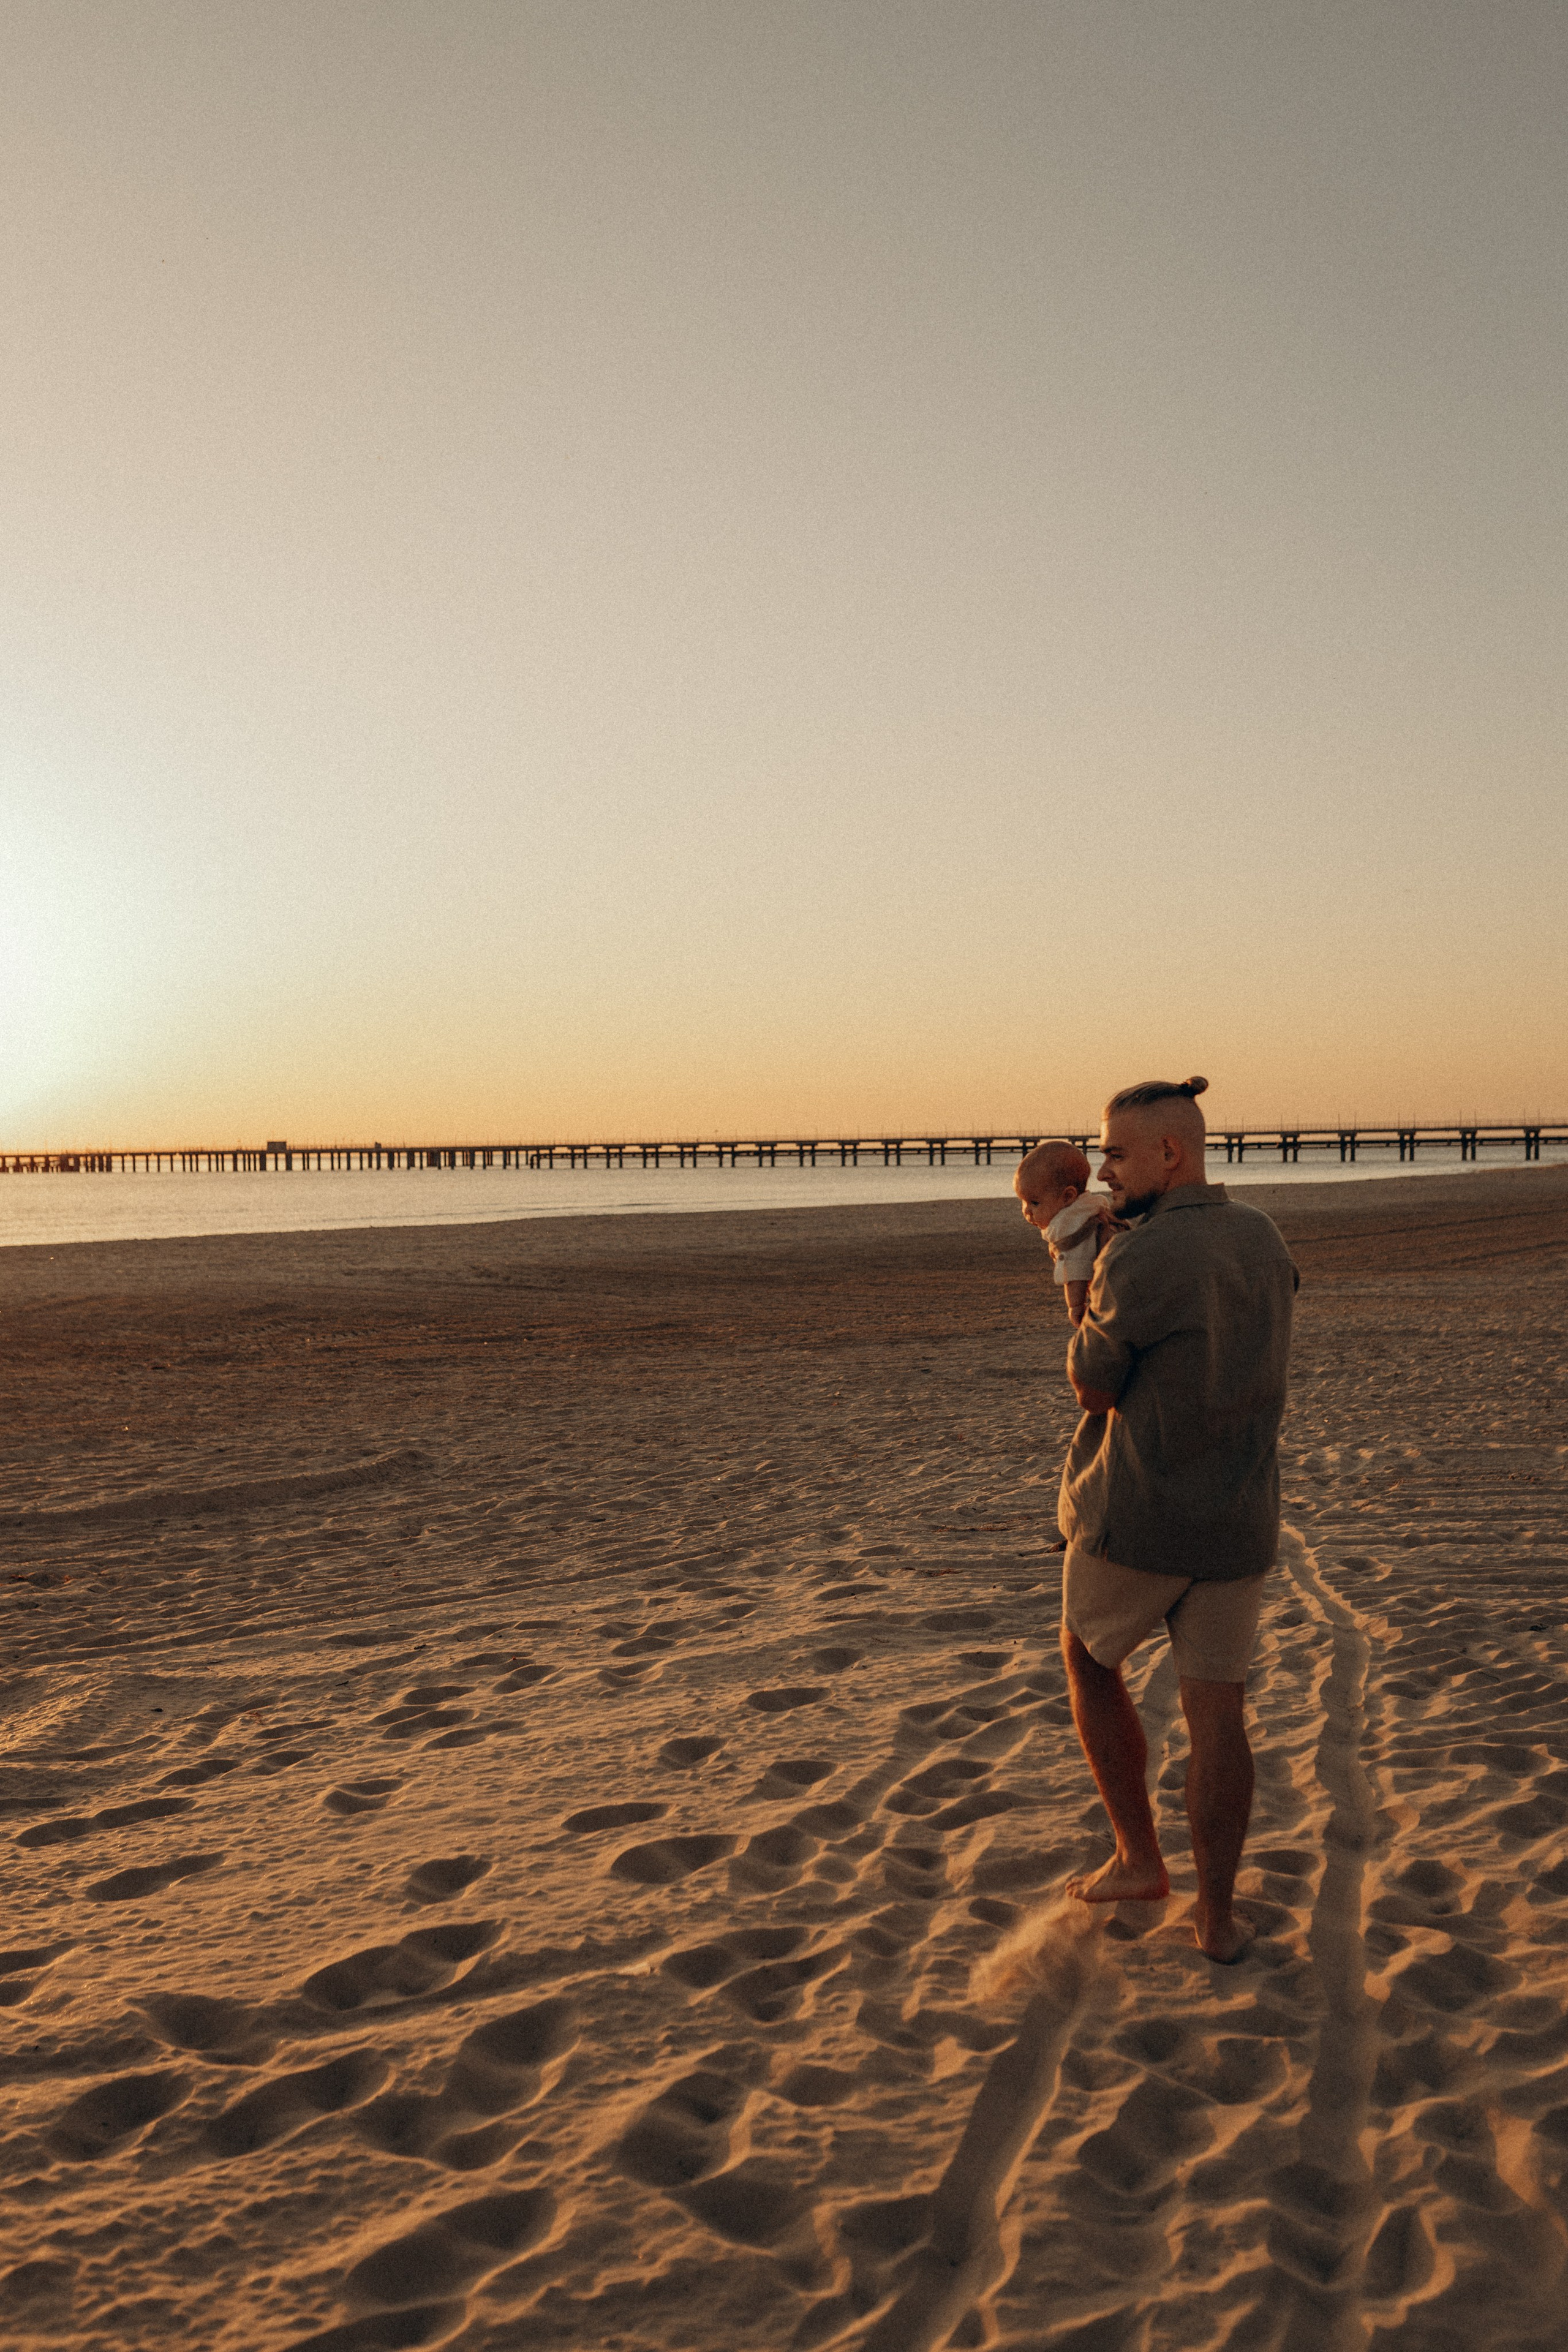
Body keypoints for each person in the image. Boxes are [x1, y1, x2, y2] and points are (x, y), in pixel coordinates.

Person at [1055, 1075, 1298, 1962]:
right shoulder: (1263, 1238)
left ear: (1171, 1152)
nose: (1104, 1170)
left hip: (1145, 1515)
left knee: (1087, 1659)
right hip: (1240, 1520)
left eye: (1117, 1153)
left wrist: (1079, 1276)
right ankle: (1218, 1917)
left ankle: (1137, 1859)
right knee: (1218, 1714)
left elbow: (1092, 1383)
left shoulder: (1135, 1256)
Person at [1014, 1140, 1115, 1326]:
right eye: (1024, 1202)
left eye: (1035, 1203)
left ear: (1068, 1197)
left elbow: (1075, 1270)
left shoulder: (1071, 1227)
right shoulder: (1093, 1209)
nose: (1027, 1211)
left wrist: (1075, 1306)